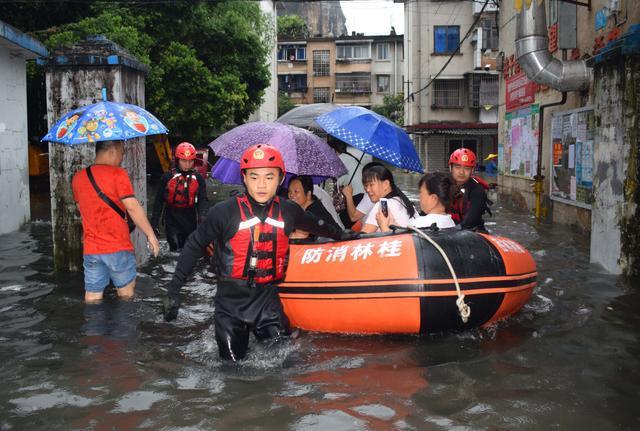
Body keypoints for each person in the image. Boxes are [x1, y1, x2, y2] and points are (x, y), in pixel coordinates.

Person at [162, 144, 352, 362]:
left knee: (288, 362)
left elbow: (319, 225)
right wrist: (173, 292)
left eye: (269, 177)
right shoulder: (224, 212)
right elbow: (194, 245)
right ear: (244, 178)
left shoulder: (288, 210)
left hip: (267, 303)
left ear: (280, 179)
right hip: (230, 305)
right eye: (254, 177)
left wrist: (344, 236)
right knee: (232, 369)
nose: (262, 185)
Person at [72, 140, 160, 303]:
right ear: (112, 151)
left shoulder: (78, 178)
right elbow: (132, 207)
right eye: (121, 152)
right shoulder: (118, 174)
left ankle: (93, 328)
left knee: (92, 297)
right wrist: (151, 235)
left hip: (91, 249)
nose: (122, 157)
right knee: (126, 295)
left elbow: (82, 209)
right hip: (117, 247)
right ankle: (124, 328)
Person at [151, 142, 208, 251]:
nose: (187, 164)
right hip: (172, 218)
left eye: (190, 161)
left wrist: (203, 218)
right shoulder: (167, 178)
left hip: (190, 219)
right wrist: (154, 225)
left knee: (188, 249)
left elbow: (203, 201)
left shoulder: (198, 179)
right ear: (177, 160)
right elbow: (158, 202)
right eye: (184, 161)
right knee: (175, 248)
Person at [360, 165, 417, 233]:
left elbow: (363, 236)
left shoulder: (383, 205)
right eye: (366, 186)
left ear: (386, 184)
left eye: (371, 185)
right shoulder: (403, 201)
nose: (367, 190)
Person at [448, 148, 491, 232]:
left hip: (472, 231)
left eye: (466, 168)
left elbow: (472, 218)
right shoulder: (443, 185)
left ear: (472, 170)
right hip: (449, 228)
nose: (461, 172)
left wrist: (451, 231)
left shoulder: (477, 191)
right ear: (451, 168)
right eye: (457, 167)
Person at [340, 161, 385, 227]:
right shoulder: (392, 192)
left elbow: (353, 217)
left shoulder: (372, 195)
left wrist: (348, 195)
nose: (367, 189)